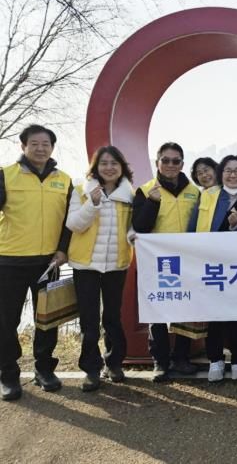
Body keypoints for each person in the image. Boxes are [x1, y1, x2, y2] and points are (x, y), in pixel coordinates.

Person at [0, 124, 72, 401]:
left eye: (46, 144)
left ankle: (44, 369)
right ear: (23, 146)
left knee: (47, 320)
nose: (40, 149)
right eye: (35, 143)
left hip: (48, 263)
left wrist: (63, 249)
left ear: (52, 148)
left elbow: (68, 221)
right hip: (10, 261)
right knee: (6, 321)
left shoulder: (64, 180)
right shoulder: (6, 175)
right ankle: (8, 374)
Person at [66, 146, 135, 392]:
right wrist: (92, 204)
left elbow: (133, 227)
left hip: (117, 264)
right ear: (95, 167)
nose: (109, 168)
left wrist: (134, 235)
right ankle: (91, 369)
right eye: (104, 163)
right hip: (85, 264)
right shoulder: (81, 191)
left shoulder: (130, 195)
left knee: (113, 317)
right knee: (89, 320)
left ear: (122, 167)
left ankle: (114, 363)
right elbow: (74, 224)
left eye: (114, 163)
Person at [132, 142, 201, 382]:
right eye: (166, 160)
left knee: (186, 309)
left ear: (182, 164)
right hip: (158, 261)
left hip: (188, 260)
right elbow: (140, 226)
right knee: (158, 311)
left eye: (176, 161)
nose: (171, 165)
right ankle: (160, 362)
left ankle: (181, 358)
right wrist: (152, 202)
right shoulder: (145, 191)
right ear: (157, 162)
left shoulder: (194, 192)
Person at [188, 155, 237, 383]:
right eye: (228, 170)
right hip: (210, 263)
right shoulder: (208, 195)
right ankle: (215, 360)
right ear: (221, 173)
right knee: (214, 314)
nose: (233, 174)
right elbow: (192, 227)